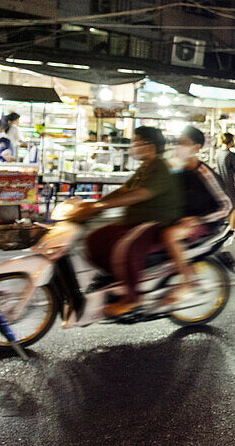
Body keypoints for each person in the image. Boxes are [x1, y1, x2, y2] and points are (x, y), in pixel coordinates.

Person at [74, 126, 181, 317]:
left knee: (125, 248)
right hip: (135, 220)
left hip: (154, 222)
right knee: (96, 238)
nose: (133, 147)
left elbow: (141, 194)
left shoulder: (159, 167)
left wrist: (100, 207)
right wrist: (96, 205)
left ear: (150, 145)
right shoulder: (144, 167)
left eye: (137, 142)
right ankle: (118, 279)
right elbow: (124, 190)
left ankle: (133, 298)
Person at [161, 126, 233, 304]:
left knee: (169, 236)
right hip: (178, 220)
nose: (179, 147)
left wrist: (199, 219)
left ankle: (187, 282)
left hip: (205, 224)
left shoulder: (204, 173)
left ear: (197, 147)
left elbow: (226, 205)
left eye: (185, 143)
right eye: (178, 143)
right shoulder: (176, 169)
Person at [215, 132, 235, 237]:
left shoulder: (218, 153)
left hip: (220, 183)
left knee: (223, 207)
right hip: (230, 183)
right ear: (231, 141)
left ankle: (222, 230)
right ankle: (232, 230)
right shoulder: (231, 154)